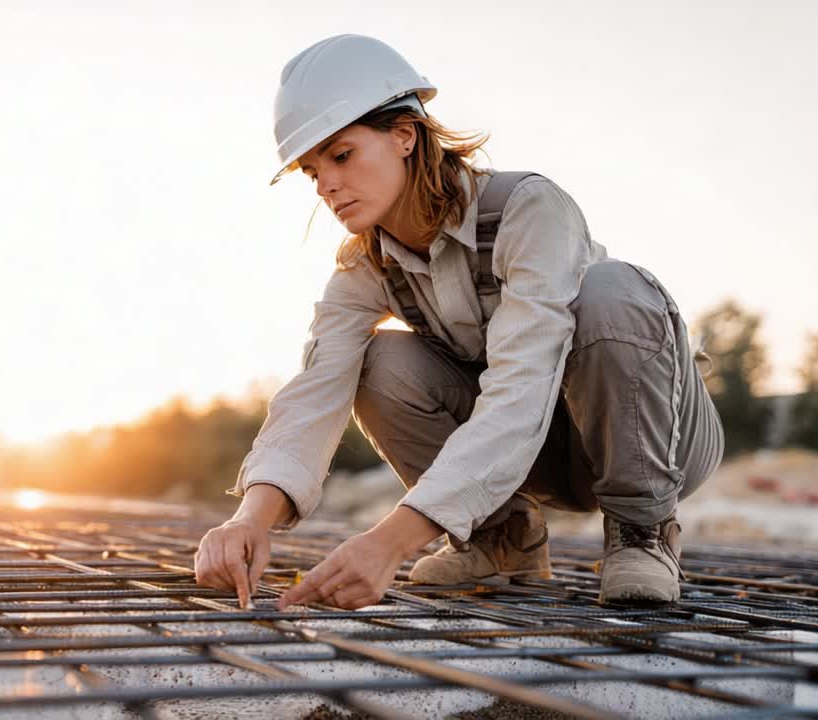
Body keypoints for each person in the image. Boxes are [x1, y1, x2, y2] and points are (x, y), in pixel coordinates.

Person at [193, 34, 724, 609]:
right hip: (539, 459)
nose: (325, 185)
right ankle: (501, 538)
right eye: (311, 170)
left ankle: (643, 533)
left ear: (404, 135)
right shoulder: (364, 266)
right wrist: (252, 518)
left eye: (341, 155)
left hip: (657, 439)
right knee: (376, 362)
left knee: (612, 290)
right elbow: (314, 392)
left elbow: (522, 385)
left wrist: (390, 542)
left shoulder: (529, 210)